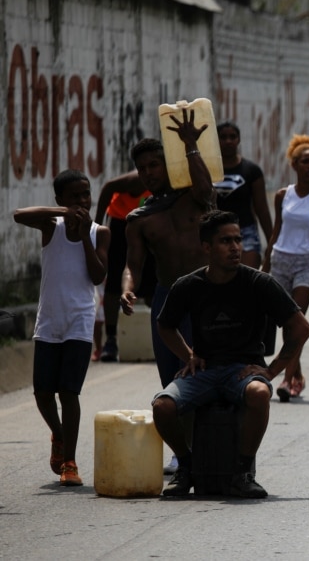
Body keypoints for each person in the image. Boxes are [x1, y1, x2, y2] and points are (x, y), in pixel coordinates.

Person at [152, 210, 309, 498]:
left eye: (238, 239)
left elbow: (301, 328)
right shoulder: (188, 285)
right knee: (162, 407)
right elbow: (165, 325)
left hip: (243, 371)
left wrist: (272, 371)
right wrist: (188, 354)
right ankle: (186, 466)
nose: (235, 247)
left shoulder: (258, 283)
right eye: (226, 241)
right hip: (205, 371)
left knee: (260, 393)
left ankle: (242, 471)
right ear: (207, 248)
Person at [120, 110, 215, 476]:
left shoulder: (191, 196)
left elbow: (208, 195)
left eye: (155, 164)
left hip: (207, 293)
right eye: (142, 168)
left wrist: (190, 144)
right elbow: (133, 265)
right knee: (174, 380)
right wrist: (128, 290)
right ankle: (184, 451)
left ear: (166, 163)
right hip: (168, 299)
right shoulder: (139, 218)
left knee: (209, 370)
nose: (149, 173)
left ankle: (212, 443)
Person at [15, 170, 111, 487]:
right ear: (60, 200)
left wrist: (84, 235)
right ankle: (58, 434)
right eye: (75, 196)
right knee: (43, 392)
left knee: (68, 391)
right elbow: (19, 215)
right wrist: (63, 214)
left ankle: (69, 461)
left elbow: (97, 276)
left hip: (80, 319)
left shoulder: (100, 232)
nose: (83, 201)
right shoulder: (51, 227)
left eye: (86, 194)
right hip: (50, 318)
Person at [263, 135, 309, 397]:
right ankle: (297, 373)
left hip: (308, 262)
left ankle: (285, 380)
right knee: (286, 323)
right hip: (281, 260)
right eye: (305, 162)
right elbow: (276, 231)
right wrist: (265, 264)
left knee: (297, 321)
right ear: (294, 165)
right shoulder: (284, 195)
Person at [92, 169, 153, 362]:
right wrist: (97, 226)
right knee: (114, 284)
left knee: (154, 284)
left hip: (149, 226)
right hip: (121, 223)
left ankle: (164, 336)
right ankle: (111, 339)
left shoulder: (173, 180)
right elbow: (108, 187)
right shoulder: (140, 178)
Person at [214, 121, 273, 269]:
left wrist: (272, 243)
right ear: (216, 140)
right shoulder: (207, 171)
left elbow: (262, 209)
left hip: (245, 232)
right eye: (223, 137)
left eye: (232, 137)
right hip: (214, 232)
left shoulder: (251, 171)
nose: (228, 141)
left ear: (238, 140)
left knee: (245, 282)